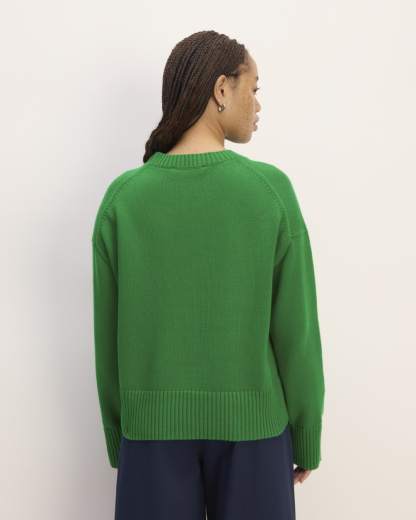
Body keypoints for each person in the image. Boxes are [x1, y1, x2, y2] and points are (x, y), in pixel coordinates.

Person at [92, 30, 325, 520]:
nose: (258, 104)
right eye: (253, 89)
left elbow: (108, 339)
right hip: (256, 435)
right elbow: (297, 332)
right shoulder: (269, 191)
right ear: (222, 89)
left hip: (150, 434)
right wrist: (307, 432)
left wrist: (121, 437)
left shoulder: (124, 200)